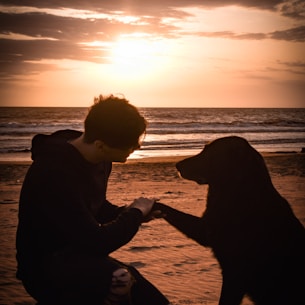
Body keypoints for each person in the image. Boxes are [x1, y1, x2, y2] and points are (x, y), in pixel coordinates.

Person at [16, 94, 169, 305]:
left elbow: (92, 208)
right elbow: (98, 242)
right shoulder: (54, 173)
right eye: (130, 144)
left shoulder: (100, 158)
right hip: (46, 268)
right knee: (123, 280)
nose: (137, 148)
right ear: (100, 145)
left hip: (79, 255)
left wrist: (128, 211)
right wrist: (134, 214)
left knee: (149, 296)